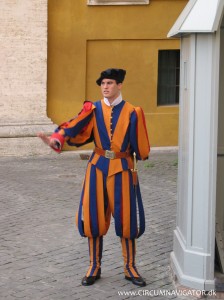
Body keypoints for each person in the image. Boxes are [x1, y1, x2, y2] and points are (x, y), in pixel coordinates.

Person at [38, 68, 150, 287]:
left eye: (109, 83)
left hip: (123, 168)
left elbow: (142, 150)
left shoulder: (133, 112)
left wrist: (137, 155)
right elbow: (74, 126)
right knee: (93, 219)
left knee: (127, 220)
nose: (105, 87)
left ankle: (130, 267)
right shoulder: (93, 109)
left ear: (119, 85)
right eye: (103, 83)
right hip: (97, 167)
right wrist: (56, 139)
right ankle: (94, 267)